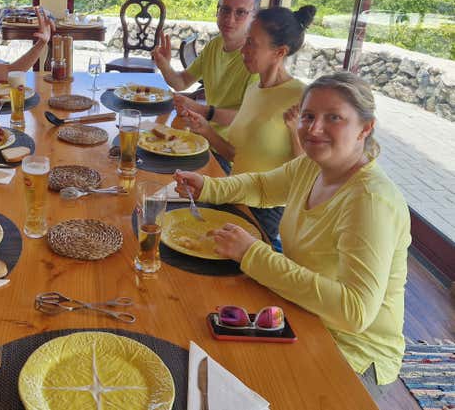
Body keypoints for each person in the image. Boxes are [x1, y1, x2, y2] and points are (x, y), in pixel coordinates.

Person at [174, 72, 411, 398]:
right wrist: (209, 187)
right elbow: (261, 186)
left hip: (351, 354)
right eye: (308, 116)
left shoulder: (370, 200)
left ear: (365, 128)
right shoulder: (313, 166)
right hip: (300, 313)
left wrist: (253, 254)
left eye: (334, 118)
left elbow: (354, 311)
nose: (314, 128)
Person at [179, 6, 315, 243]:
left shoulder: (301, 98)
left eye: (252, 43)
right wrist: (206, 130)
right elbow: (236, 155)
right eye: (246, 41)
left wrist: (295, 133)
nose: (243, 50)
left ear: (279, 52)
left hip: (266, 210)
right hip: (233, 194)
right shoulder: (254, 90)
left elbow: (309, 176)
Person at [151, 0, 260, 137]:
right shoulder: (215, 45)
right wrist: (164, 65)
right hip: (204, 136)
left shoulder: (256, 60)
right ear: (217, 11)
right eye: (225, 9)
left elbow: (249, 118)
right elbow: (181, 82)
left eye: (240, 12)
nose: (230, 19)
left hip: (230, 147)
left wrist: (201, 110)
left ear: (254, 18)